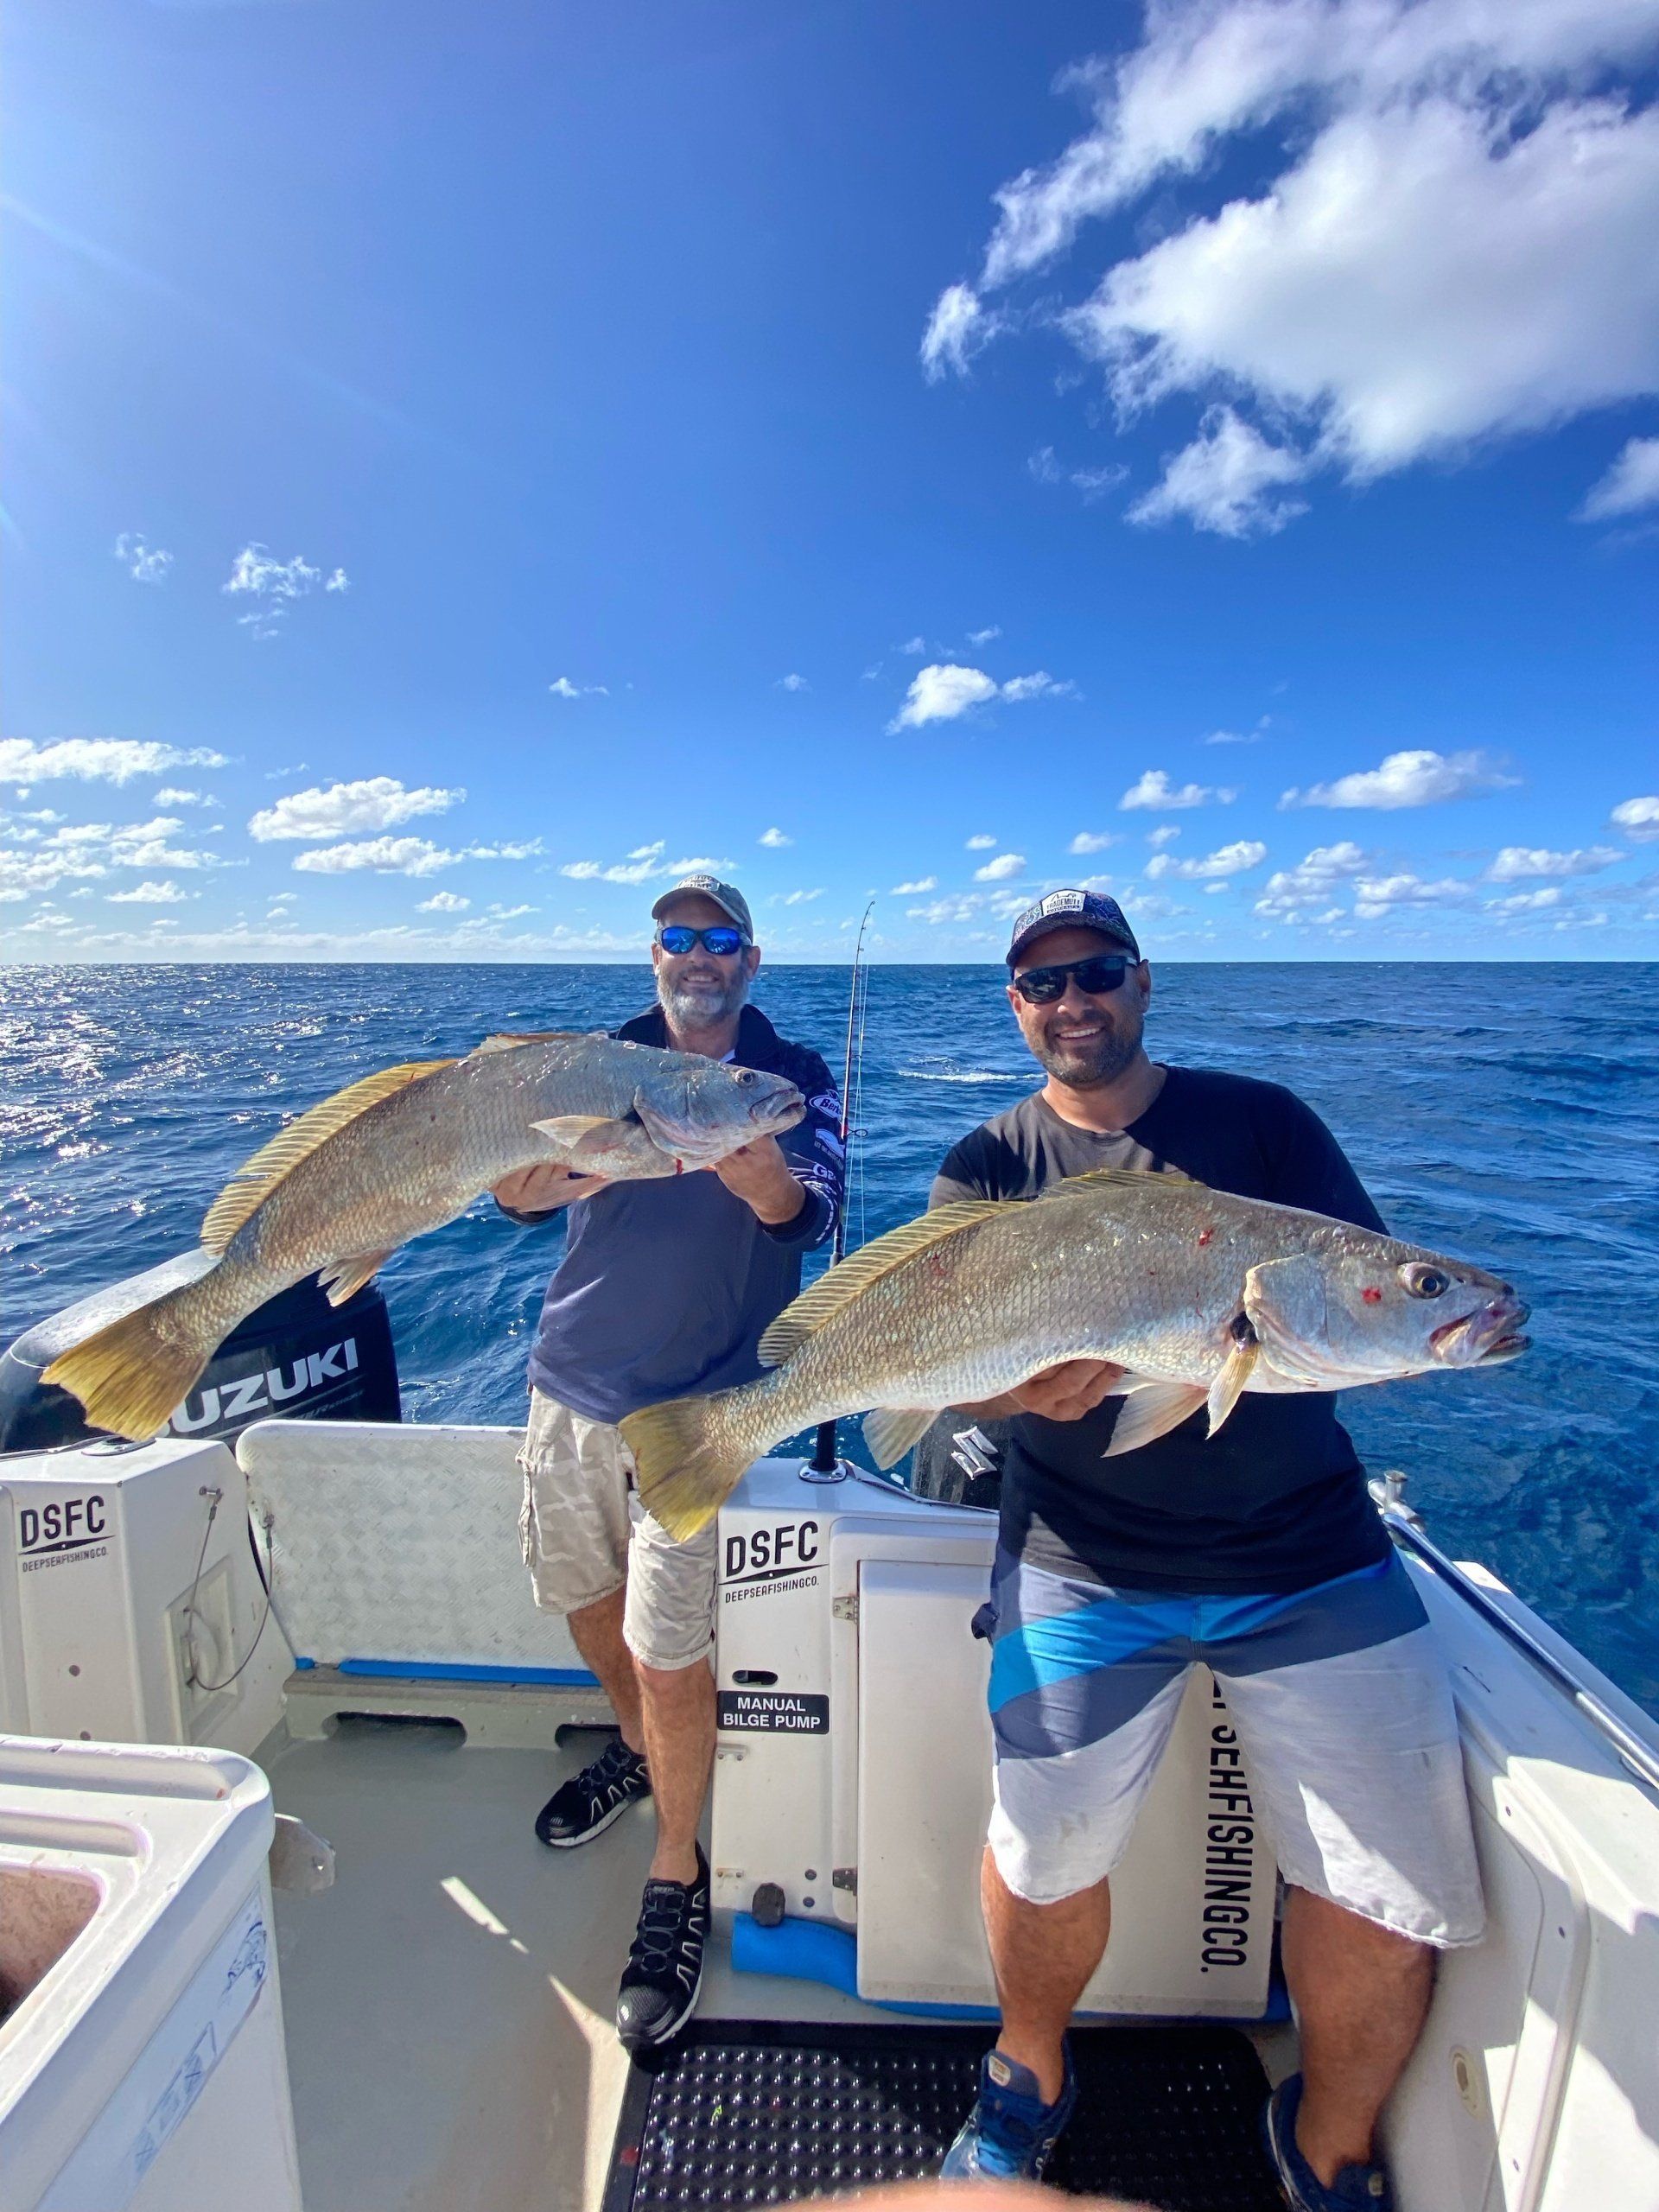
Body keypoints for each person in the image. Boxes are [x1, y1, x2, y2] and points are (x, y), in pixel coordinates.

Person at [932, 888, 1483, 2212]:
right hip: (1079, 1561)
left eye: (1097, 971)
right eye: (1043, 983)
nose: (1073, 1000)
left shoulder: (1266, 1124)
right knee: (1045, 1848)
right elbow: (945, 1371)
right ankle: (1026, 2075)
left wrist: (1413, 1305)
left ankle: (1330, 2149)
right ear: (1016, 1007)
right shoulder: (986, 1161)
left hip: (1312, 1562)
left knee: (1385, 1887)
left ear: (1142, 980)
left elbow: (1353, 1294)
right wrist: (1013, 1395)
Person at [493, 874, 842, 2051]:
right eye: (679, 937)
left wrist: (758, 1170)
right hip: (569, 1382)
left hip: (702, 1411)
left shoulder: (786, 1080)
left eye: (722, 938)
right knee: (580, 1592)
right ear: (655, 956)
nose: (700, 955)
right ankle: (635, 1749)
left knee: (669, 1644)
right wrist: (516, 1190)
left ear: (752, 960)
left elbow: (811, 1217)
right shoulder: (595, 1066)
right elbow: (517, 1195)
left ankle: (676, 1870)